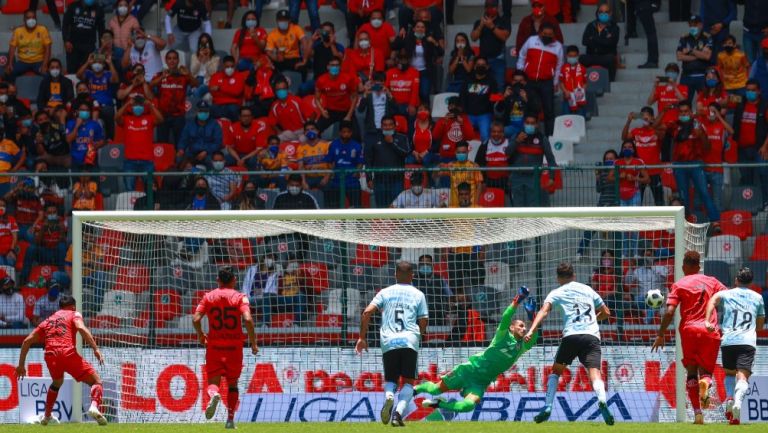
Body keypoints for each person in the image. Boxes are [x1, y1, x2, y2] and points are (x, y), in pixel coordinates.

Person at [417, 288, 537, 413]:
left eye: (525, 326)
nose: (524, 329)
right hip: (468, 371)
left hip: (480, 383)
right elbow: (506, 316)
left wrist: (532, 317)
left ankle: (439, 404)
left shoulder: (521, 347)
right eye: (521, 326)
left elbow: (534, 338)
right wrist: (517, 300)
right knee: (435, 390)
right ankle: (415, 389)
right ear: (511, 327)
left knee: (467, 406)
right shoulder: (502, 335)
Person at [524, 261, 614, 425]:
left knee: (556, 371)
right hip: (591, 336)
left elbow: (543, 312)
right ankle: (602, 400)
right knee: (594, 372)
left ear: (558, 278)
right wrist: (594, 318)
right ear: (574, 275)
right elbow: (606, 312)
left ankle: (548, 406)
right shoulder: (587, 289)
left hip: (571, 335)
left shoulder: (556, 292)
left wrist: (531, 330)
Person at [652, 250, 727, 424]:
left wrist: (661, 334)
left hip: (689, 331)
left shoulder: (679, 284)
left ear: (683, 266)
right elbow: (726, 297)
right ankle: (706, 384)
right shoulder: (712, 281)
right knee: (706, 372)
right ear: (699, 267)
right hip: (710, 330)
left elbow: (670, 312)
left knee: (691, 372)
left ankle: (698, 413)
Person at [356, 261, 428, 427]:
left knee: (391, 379)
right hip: (409, 340)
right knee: (409, 382)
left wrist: (362, 337)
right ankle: (397, 415)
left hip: (389, 341)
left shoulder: (385, 292)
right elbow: (424, 319)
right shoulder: (418, 294)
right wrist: (419, 335)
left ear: (395, 274)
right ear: (413, 276)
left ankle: (389, 397)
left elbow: (366, 312)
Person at [16, 295, 107, 425]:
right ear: (73, 307)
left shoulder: (48, 320)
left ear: (59, 307)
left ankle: (47, 416)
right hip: (67, 353)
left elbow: (26, 341)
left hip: (50, 355)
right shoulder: (74, 314)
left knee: (57, 382)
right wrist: (95, 349)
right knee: (96, 381)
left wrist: (21, 366)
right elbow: (81, 328)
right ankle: (93, 406)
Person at [193, 267, 259, 429]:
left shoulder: (208, 297)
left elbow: (195, 319)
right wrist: (253, 342)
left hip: (214, 346)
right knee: (233, 384)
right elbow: (248, 320)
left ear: (218, 280)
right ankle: (230, 420)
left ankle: (214, 395)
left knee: (213, 382)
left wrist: (201, 335)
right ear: (234, 280)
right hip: (234, 348)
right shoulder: (239, 297)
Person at [704, 267, 765, 425]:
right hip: (747, 341)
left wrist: (708, 319)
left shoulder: (726, 293)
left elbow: (712, 300)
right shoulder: (758, 297)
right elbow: (759, 325)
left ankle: (730, 399)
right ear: (751, 282)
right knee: (742, 376)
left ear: (736, 280)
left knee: (730, 374)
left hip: (728, 341)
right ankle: (737, 403)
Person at [659, 100, 720, 222]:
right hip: (679, 165)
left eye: (686, 111)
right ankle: (686, 223)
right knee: (683, 196)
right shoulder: (674, 125)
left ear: (691, 112)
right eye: (681, 112)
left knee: (704, 192)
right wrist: (664, 111)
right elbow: (656, 126)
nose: (683, 114)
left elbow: (707, 148)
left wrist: (701, 135)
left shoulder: (698, 125)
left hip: (696, 164)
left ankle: (715, 222)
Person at [517, 24, 563, 136]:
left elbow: (559, 66)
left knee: (549, 111)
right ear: (540, 33)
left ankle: (549, 137)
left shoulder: (558, 46)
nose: (547, 36)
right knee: (531, 109)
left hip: (546, 82)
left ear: (553, 35)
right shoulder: (531, 40)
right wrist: (520, 72)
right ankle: (529, 136)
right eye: (545, 34)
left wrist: (555, 82)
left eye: (550, 34)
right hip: (530, 80)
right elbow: (522, 56)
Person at [507, 114, 557, 207]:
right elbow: (506, 153)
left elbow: (551, 159)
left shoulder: (542, 139)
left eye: (532, 123)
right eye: (527, 123)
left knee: (532, 208)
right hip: (517, 177)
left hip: (533, 178)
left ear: (537, 125)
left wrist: (552, 177)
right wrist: (517, 141)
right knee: (518, 208)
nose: (529, 125)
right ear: (524, 124)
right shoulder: (517, 136)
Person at [116, 96, 163, 190]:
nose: (137, 107)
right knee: (129, 190)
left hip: (147, 161)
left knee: (150, 189)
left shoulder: (149, 119)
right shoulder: (126, 119)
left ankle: (148, 205)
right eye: (135, 104)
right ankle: (133, 205)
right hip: (130, 161)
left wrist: (150, 105)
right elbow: (116, 117)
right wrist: (127, 104)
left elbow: (161, 119)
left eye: (140, 104)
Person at [365, 116, 412, 208]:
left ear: (395, 126)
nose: (388, 127)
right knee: (381, 208)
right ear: (381, 126)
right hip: (379, 181)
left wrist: (392, 142)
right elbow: (369, 160)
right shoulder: (374, 139)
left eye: (390, 125)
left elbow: (406, 153)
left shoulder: (402, 138)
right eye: (385, 125)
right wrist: (369, 178)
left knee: (396, 208)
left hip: (397, 180)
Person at [152, 50, 197, 145]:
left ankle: (178, 160)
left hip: (179, 116)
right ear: (166, 60)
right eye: (169, 58)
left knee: (179, 145)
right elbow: (150, 85)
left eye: (174, 58)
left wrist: (188, 74)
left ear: (178, 60)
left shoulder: (183, 76)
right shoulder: (160, 75)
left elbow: (195, 84)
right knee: (162, 145)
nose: (172, 61)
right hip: (163, 116)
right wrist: (162, 77)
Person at [622, 107, 664, 206]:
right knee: (637, 201)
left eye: (647, 116)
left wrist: (652, 124)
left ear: (652, 117)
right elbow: (624, 138)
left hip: (655, 171)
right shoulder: (636, 131)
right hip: (640, 171)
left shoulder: (657, 130)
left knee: (659, 202)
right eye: (642, 116)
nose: (644, 119)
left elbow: (662, 136)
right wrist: (629, 120)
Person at [470, 0, 511, 90]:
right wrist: (481, 26)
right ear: (485, 8)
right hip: (483, 61)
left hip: (498, 59)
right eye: (488, 6)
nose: (490, 8)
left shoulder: (504, 21)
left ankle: (498, 104)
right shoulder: (479, 22)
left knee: (499, 86)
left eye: (493, 6)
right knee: (482, 86)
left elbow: (504, 37)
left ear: (498, 8)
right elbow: (473, 37)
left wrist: (492, 26)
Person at [324, 120, 364, 209]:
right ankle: (338, 223)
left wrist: (356, 172)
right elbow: (329, 161)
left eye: (348, 132)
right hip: (337, 181)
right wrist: (333, 172)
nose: (346, 134)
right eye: (344, 132)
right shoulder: (333, 144)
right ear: (339, 132)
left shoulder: (357, 145)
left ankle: (357, 223)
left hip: (352, 181)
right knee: (335, 207)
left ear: (351, 133)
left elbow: (360, 162)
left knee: (356, 206)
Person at [315, 58, 360, 134]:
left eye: (337, 65)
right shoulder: (321, 80)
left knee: (356, 135)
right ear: (328, 67)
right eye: (332, 65)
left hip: (346, 110)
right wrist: (322, 111)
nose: (335, 67)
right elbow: (317, 99)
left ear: (340, 67)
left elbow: (355, 97)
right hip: (330, 111)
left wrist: (349, 115)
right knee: (316, 131)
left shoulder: (348, 78)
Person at [676, 15, 713, 102]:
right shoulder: (684, 38)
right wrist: (699, 55)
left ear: (701, 25)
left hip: (702, 76)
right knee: (684, 103)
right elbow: (679, 56)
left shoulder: (707, 37)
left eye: (695, 25)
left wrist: (690, 51)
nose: (693, 27)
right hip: (686, 76)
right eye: (691, 25)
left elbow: (707, 56)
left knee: (705, 102)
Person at [6, 9, 51, 81]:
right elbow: (12, 48)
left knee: (48, 75)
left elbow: (48, 49)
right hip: (23, 61)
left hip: (39, 61)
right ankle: (12, 89)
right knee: (9, 73)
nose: (31, 20)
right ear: (24, 19)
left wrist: (45, 65)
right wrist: (10, 63)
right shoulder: (18, 31)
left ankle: (45, 92)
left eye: (33, 17)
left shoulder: (43, 29)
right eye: (28, 17)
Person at [460, 57, 497, 142]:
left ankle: (484, 154)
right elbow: (462, 97)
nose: (481, 67)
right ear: (474, 66)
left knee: (485, 136)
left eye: (483, 65)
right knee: (463, 137)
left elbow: (494, 100)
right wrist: (464, 114)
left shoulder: (492, 81)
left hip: (484, 115)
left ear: (487, 67)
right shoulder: (467, 80)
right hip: (468, 114)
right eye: (478, 65)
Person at [580, 3, 620, 82]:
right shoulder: (591, 25)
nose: (603, 14)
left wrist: (594, 38)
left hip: (606, 56)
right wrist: (604, 40)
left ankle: (610, 84)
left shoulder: (615, 27)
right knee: (582, 59)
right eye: (601, 12)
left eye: (606, 12)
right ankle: (583, 84)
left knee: (611, 59)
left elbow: (611, 43)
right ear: (598, 13)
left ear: (610, 13)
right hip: (592, 55)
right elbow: (584, 41)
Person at [63, 0, 105, 74]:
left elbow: (101, 30)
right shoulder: (72, 6)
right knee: (72, 71)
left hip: (89, 46)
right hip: (73, 46)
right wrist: (66, 40)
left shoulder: (99, 9)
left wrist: (101, 47)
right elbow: (65, 25)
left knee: (88, 71)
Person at [178, 101, 223, 167]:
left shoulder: (215, 125)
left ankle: (210, 177)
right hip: (192, 152)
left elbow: (217, 143)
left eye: (205, 111)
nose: (203, 113)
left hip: (208, 153)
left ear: (209, 112)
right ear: (196, 112)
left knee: (211, 161)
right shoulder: (190, 124)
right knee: (179, 160)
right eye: (201, 111)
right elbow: (183, 139)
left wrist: (206, 151)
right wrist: (181, 149)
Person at [66, 100, 105, 171]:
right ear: (77, 111)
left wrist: (97, 145)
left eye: (87, 110)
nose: (85, 112)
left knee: (94, 182)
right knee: (76, 182)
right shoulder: (71, 123)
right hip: (76, 160)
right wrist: (77, 126)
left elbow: (101, 141)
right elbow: (68, 140)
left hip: (91, 160)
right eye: (82, 110)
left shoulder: (95, 124)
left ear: (90, 112)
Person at [628, 0, 660, 69]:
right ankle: (653, 60)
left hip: (643, 6)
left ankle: (652, 61)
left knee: (651, 34)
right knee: (651, 33)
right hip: (645, 5)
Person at [559, 45, 587, 116]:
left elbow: (585, 82)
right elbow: (561, 82)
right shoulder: (563, 68)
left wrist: (582, 91)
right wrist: (565, 91)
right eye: (570, 56)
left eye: (574, 56)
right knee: (567, 117)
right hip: (568, 97)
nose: (572, 58)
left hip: (579, 98)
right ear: (567, 56)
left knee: (580, 117)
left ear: (578, 56)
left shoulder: (583, 68)